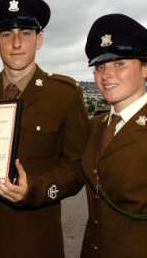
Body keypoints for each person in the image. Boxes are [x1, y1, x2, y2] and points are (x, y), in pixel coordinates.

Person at [0, 0, 90, 257]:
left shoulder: (65, 94)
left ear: (40, 40)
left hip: (37, 240)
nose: (16, 44)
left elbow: (77, 168)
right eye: (6, 35)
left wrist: (33, 189)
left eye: (25, 33)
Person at [81, 13, 147, 257]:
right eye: (100, 67)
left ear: (144, 69)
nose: (106, 75)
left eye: (119, 64)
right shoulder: (96, 125)